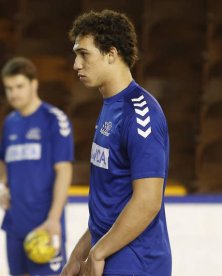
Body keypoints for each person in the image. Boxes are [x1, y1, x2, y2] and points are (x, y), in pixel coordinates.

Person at [61, 10, 172, 276]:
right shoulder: (111, 107)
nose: (76, 64)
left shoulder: (140, 112)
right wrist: (79, 254)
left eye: (84, 54)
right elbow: (110, 202)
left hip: (137, 262)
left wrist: (98, 252)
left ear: (111, 54)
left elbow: (147, 201)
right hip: (111, 256)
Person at [0, 57, 74, 275]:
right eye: (9, 88)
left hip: (45, 226)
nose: (13, 93)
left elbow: (64, 172)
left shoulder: (54, 120)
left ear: (34, 84)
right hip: (15, 225)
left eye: (19, 86)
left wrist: (54, 219)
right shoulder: (10, 122)